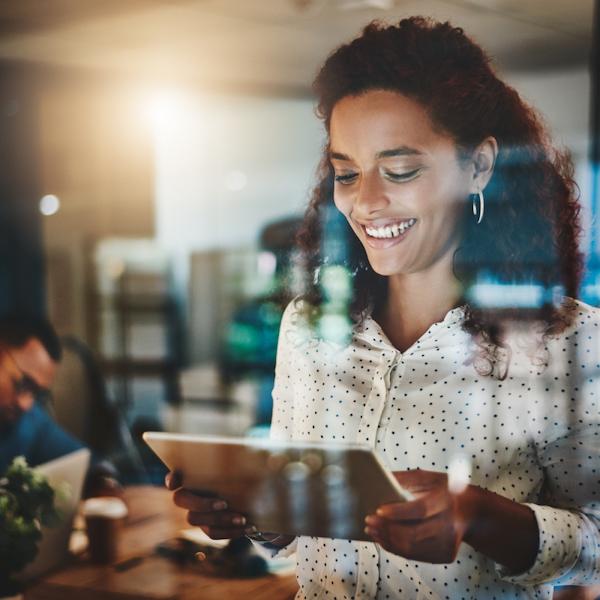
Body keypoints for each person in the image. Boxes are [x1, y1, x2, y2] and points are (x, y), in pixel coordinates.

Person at [167, 17, 600, 599]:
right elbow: (300, 529)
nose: (367, 201)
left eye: (401, 170)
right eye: (347, 173)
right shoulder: (308, 327)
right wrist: (251, 514)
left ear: (479, 166)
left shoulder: (565, 340)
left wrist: (480, 516)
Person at [0, 315, 120, 497]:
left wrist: (103, 481)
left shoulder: (28, 422)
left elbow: (89, 464)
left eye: (37, 393)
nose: (26, 404)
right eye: (23, 384)